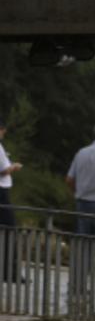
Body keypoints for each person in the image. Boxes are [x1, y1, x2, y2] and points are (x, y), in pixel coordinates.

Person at [0, 118, 24, 282]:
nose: (4, 133)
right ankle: (11, 272)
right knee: (9, 228)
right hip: (2, 191)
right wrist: (14, 167)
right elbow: (3, 170)